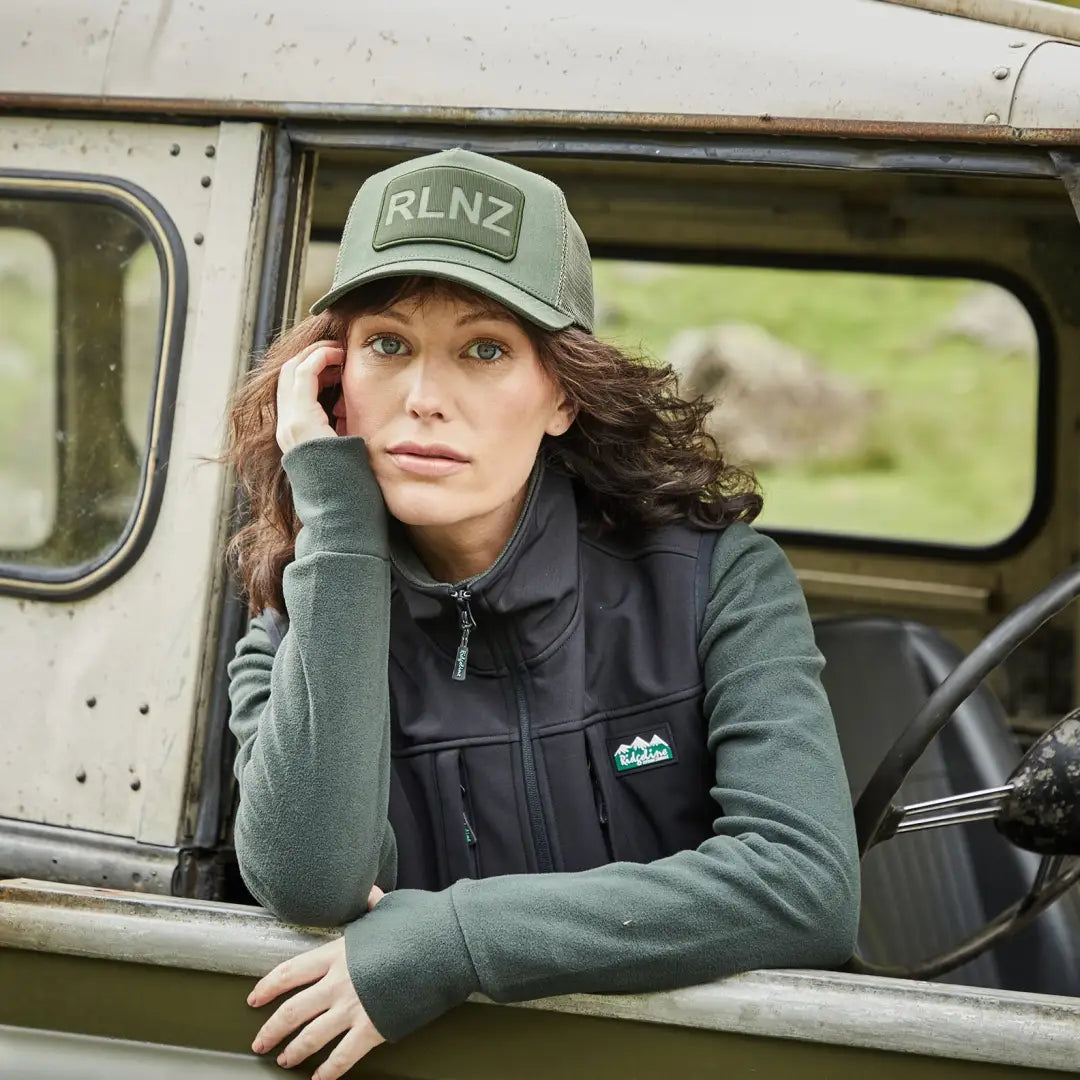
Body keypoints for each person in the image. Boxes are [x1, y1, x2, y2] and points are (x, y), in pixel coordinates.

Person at [224, 147, 860, 1080]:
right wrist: (339, 522)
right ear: (333, 384)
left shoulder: (715, 583)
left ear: (561, 392)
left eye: (485, 350)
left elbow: (805, 889)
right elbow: (311, 879)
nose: (425, 399)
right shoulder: (292, 626)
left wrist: (455, 938)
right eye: (387, 346)